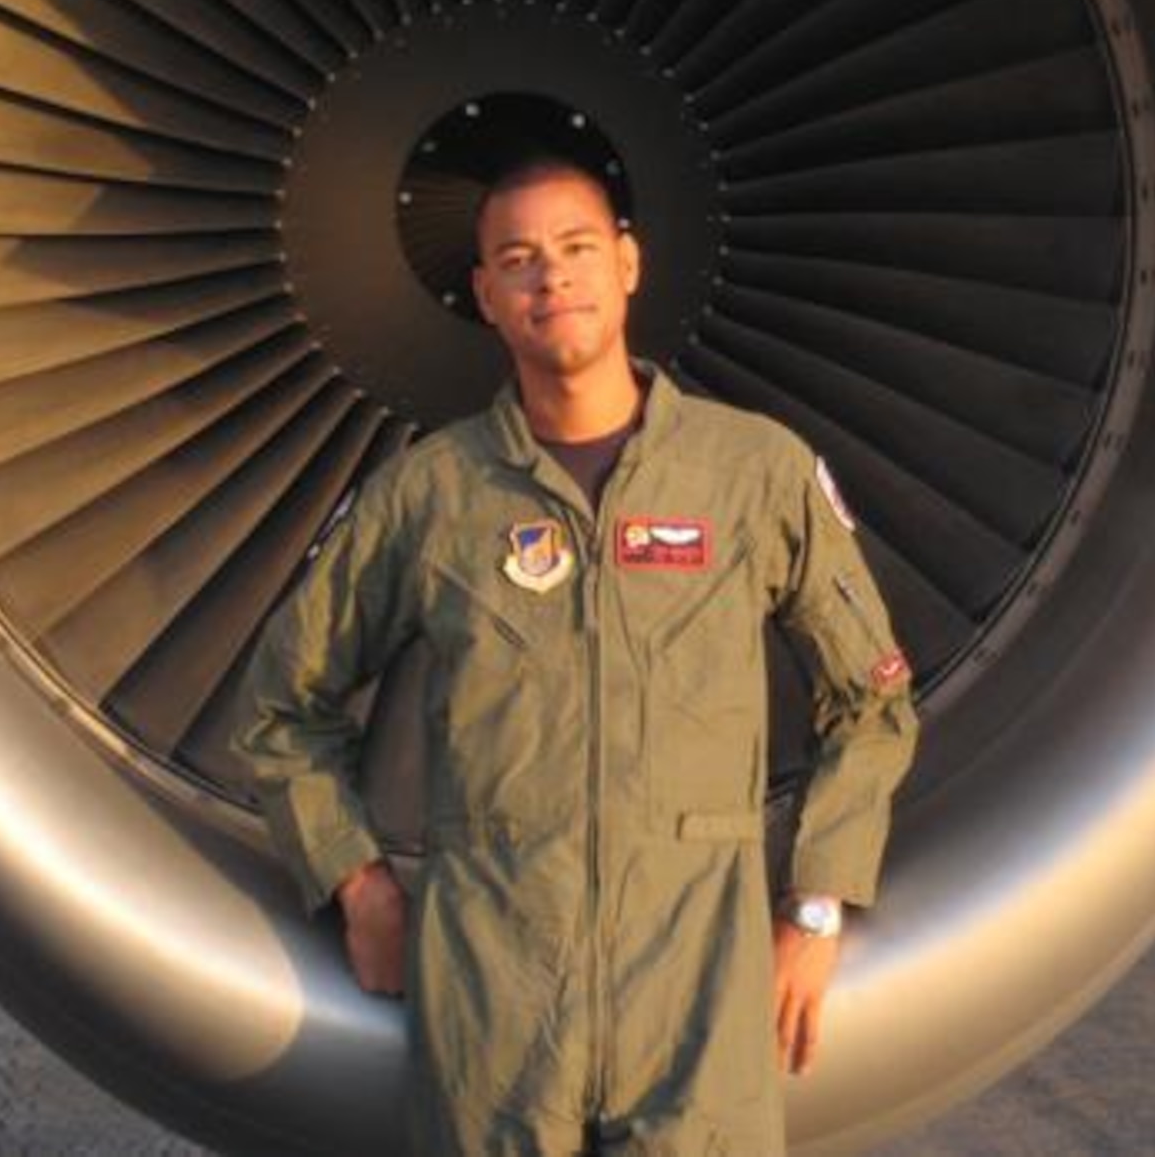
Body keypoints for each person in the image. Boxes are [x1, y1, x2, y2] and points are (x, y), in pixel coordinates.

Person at [235, 149, 918, 1154]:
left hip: (697, 1002)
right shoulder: (431, 496)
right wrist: (356, 882)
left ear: (627, 264)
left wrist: (814, 909)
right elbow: (282, 706)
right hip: (493, 1011)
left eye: (575, 247)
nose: (550, 276)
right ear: (485, 296)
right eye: (516, 259)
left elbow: (871, 705)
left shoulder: (752, 476)